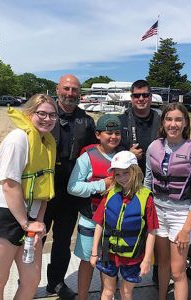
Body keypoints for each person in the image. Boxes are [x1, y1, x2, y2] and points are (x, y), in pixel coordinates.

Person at [0, 94, 57, 300]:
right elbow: (10, 184)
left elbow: (44, 190)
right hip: (2, 213)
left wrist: (38, 222)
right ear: (29, 114)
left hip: (30, 218)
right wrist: (25, 223)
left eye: (52, 115)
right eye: (42, 113)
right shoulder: (18, 138)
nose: (47, 119)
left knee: (32, 279)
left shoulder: (46, 143)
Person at [43, 74, 97, 299]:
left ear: (80, 93)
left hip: (70, 192)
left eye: (75, 90)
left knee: (63, 240)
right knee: (35, 239)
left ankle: (55, 282)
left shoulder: (86, 120)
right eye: (66, 88)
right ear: (57, 89)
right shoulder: (44, 116)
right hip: (43, 191)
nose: (70, 93)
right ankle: (26, 279)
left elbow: (97, 150)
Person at [144, 102, 191, 300]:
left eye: (178, 119)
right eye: (169, 119)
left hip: (181, 215)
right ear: (163, 122)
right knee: (162, 263)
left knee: (178, 271)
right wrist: (145, 212)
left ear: (186, 123)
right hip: (158, 211)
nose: (173, 124)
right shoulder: (153, 147)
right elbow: (147, 183)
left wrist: (187, 228)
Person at [67, 114, 122, 300]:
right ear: (98, 135)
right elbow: (72, 187)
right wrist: (100, 185)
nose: (113, 137)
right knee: (87, 262)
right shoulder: (87, 158)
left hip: (115, 222)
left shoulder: (124, 157)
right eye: (109, 133)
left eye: (117, 133)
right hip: (90, 220)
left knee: (111, 262)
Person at [90, 150, 159, 300]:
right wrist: (94, 252)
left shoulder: (146, 198)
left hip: (132, 257)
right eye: (118, 174)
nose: (122, 178)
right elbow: (99, 224)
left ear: (135, 171)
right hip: (109, 253)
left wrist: (147, 259)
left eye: (126, 173)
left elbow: (152, 232)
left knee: (126, 292)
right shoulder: (110, 194)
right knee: (108, 291)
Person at [118, 79, 161, 281]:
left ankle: (157, 277)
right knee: (127, 229)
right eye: (137, 95)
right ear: (131, 97)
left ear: (151, 97)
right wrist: (128, 153)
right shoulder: (121, 121)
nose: (141, 99)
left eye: (145, 95)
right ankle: (121, 274)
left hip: (156, 186)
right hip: (128, 185)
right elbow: (109, 149)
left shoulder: (161, 121)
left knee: (156, 232)